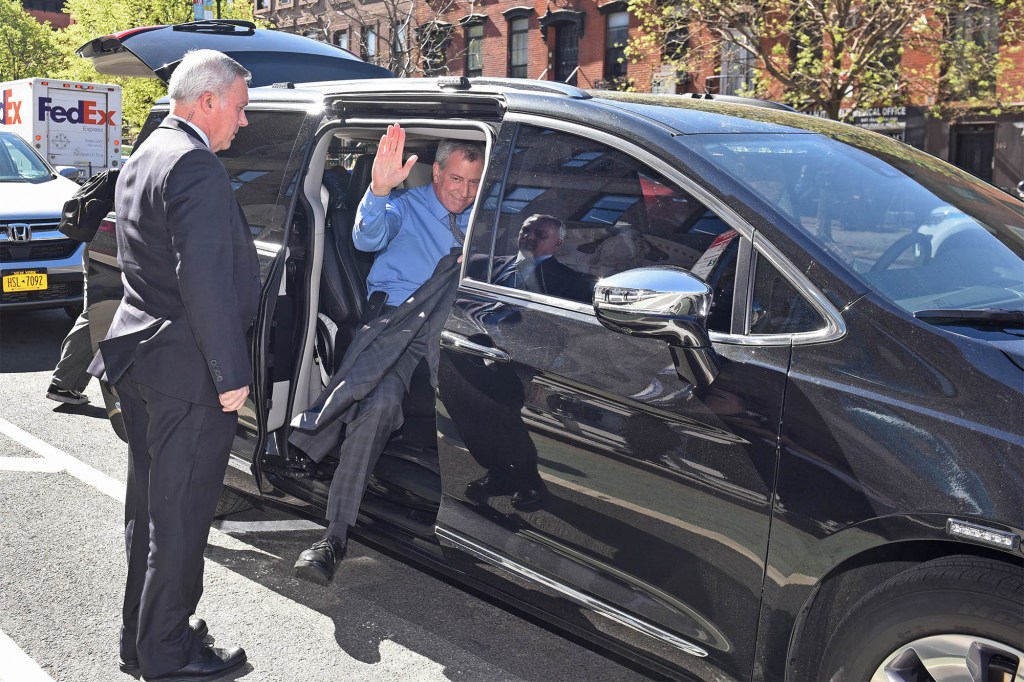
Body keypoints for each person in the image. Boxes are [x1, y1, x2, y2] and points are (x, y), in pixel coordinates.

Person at [86, 50, 258, 682]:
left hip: (141, 359)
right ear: (206, 100)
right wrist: (229, 373)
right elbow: (204, 280)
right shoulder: (196, 165)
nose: (243, 122)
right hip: (187, 373)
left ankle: (143, 639)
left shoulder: (147, 150)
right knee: (180, 520)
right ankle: (166, 654)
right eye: (239, 107)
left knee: (150, 515)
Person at [291, 124, 484, 584]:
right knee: (376, 407)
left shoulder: (484, 219)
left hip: (451, 327)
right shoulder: (404, 206)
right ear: (436, 173)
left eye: (474, 182)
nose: (464, 192)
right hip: (395, 322)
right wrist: (378, 189)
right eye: (456, 179)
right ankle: (333, 537)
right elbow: (367, 237)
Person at [494, 213, 595, 304]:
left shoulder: (572, 282)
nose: (529, 236)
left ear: (557, 244)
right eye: (525, 230)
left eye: (540, 234)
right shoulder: (488, 262)